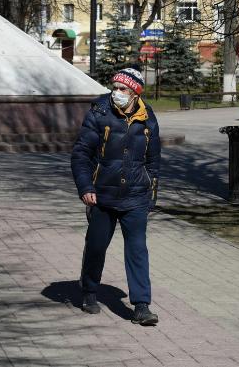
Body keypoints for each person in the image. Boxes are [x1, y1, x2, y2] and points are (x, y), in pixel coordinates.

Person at [71, 67, 161, 326]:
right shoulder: (99, 113)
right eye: (115, 87)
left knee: (137, 250)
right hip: (102, 195)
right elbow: (81, 154)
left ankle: (141, 306)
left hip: (136, 196)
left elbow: (154, 162)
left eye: (123, 89)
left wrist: (151, 195)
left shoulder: (147, 118)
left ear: (135, 93)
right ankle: (89, 291)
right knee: (96, 246)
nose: (117, 92)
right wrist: (86, 188)